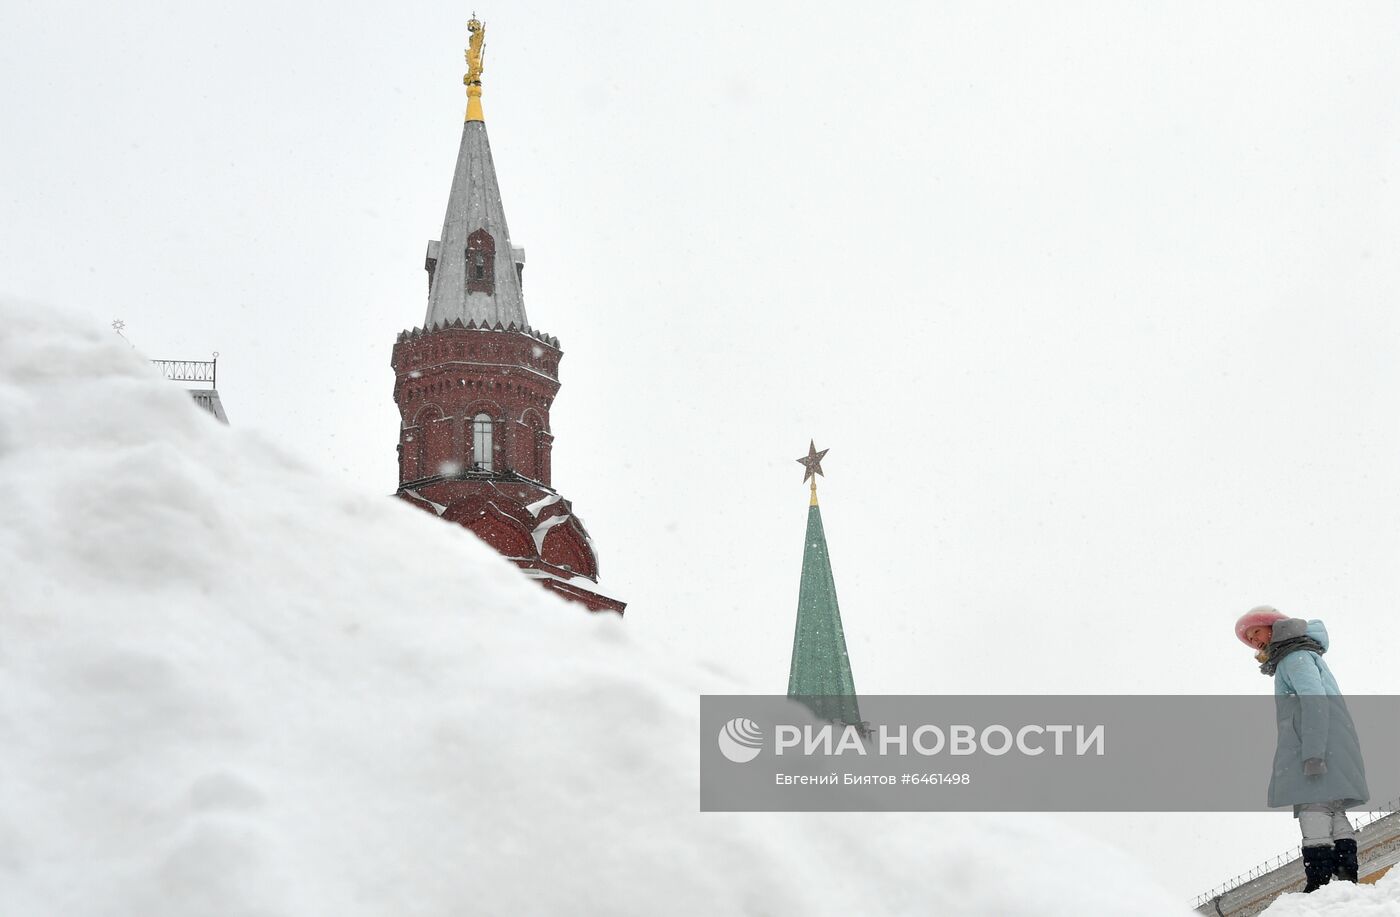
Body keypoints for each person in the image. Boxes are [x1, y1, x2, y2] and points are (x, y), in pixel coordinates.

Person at [1235, 605, 1369, 893]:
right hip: (1331, 742)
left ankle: (1320, 881)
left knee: (1313, 807)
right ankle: (1345, 878)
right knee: (1332, 808)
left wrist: (1313, 752)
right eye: (1249, 639)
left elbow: (1313, 701)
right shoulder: (1301, 653)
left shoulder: (1293, 657)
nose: (1254, 641)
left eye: (1256, 632)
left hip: (1317, 745)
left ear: (1273, 627)